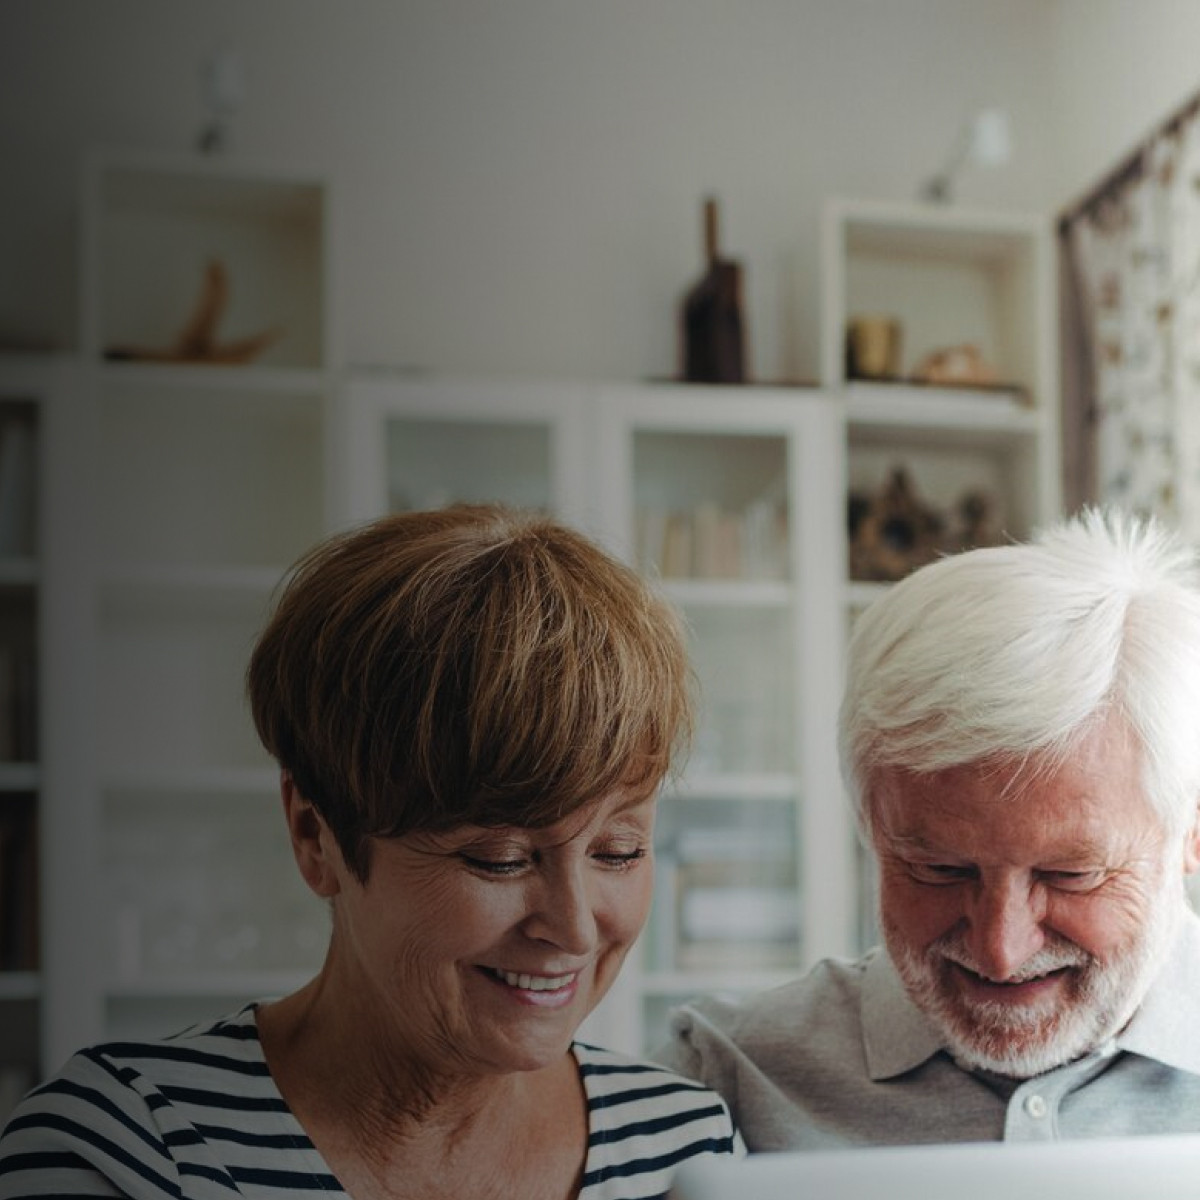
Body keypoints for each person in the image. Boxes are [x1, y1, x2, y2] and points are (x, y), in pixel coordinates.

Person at [0, 504, 741, 1198]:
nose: (576, 928)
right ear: (314, 834)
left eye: (617, 851)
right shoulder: (124, 1149)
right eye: (500, 859)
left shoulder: (686, 1147)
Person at [657, 507, 1200, 1148]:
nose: (1002, 950)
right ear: (869, 826)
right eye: (939, 869)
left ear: (1189, 833)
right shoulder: (729, 1075)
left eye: (1070, 874)